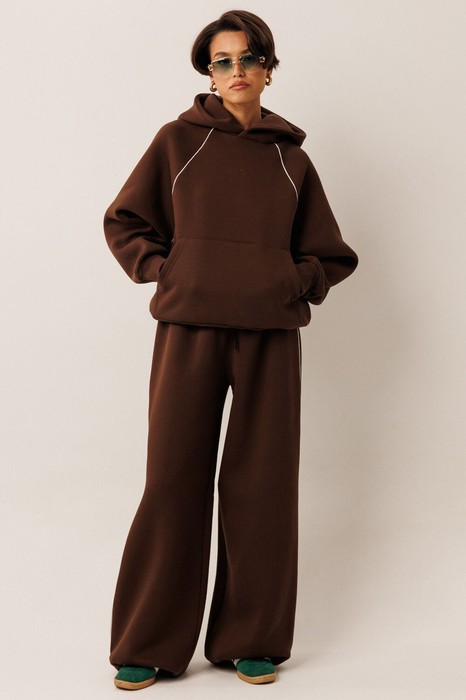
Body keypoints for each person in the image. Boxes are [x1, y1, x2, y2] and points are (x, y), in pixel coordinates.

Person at [103, 9, 358, 690]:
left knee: (262, 485)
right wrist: (170, 271)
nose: (236, 71)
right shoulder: (177, 142)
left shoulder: (291, 160)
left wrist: (289, 281)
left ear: (268, 69)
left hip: (270, 336)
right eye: (223, 61)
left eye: (248, 58)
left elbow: (330, 254)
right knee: (172, 478)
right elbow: (125, 220)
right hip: (188, 329)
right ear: (208, 73)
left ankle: (252, 639)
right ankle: (149, 643)